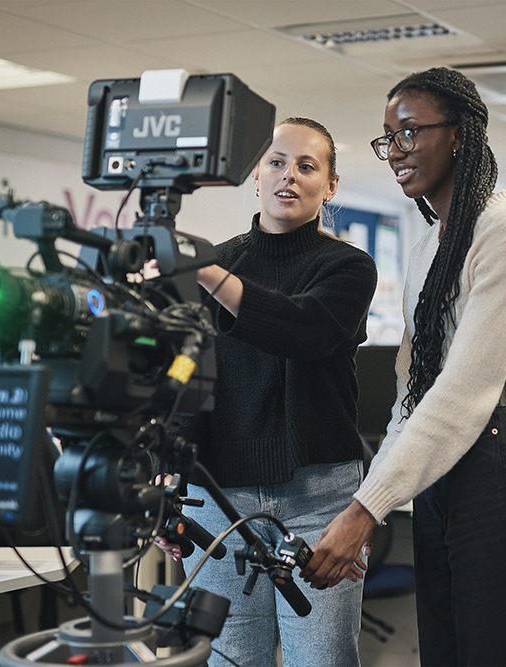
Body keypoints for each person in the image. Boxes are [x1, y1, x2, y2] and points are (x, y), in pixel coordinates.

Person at [300, 67, 506, 666]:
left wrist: (367, 511)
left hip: (498, 456)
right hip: (445, 469)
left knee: (500, 652)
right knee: (443, 651)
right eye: (388, 137)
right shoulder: (427, 247)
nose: (396, 151)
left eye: (411, 132)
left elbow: (463, 393)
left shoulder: (505, 229)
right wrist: (373, 497)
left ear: (462, 137)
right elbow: (411, 398)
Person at [155, 117, 378, 666]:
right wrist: (166, 482)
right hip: (217, 500)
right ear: (256, 176)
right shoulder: (215, 264)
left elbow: (300, 329)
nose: (289, 176)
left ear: (329, 186)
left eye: (307, 166)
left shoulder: (347, 268)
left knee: (320, 660)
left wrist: (206, 273)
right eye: (276, 162)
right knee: (230, 661)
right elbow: (185, 380)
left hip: (319, 498)